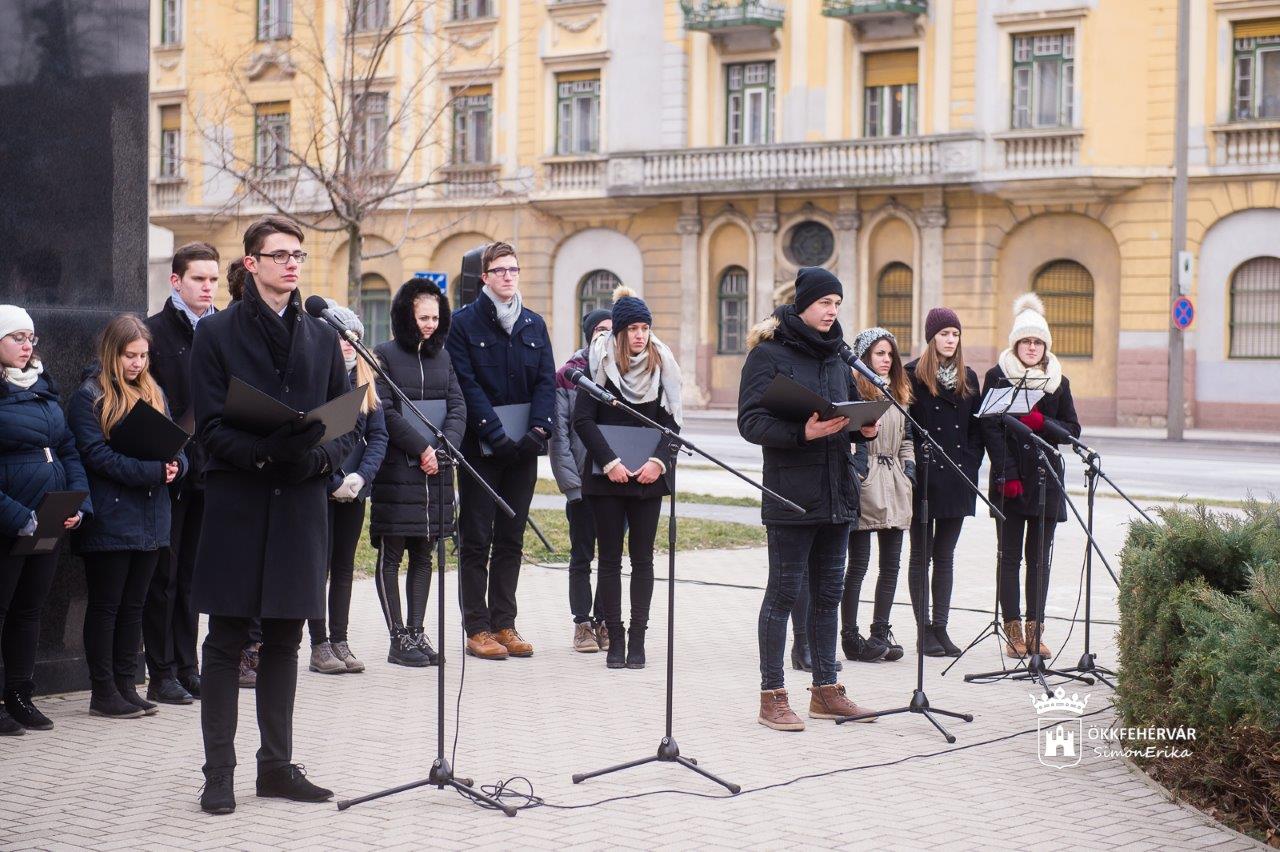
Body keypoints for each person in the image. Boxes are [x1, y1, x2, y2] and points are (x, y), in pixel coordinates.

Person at [189, 215, 354, 814]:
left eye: (298, 255)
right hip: (239, 503)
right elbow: (207, 428)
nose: (291, 264)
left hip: (300, 505)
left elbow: (344, 420)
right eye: (279, 254)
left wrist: (315, 461)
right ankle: (219, 773)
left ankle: (276, 768)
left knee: (285, 637)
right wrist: (263, 454)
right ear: (251, 263)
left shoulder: (320, 334)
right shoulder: (217, 335)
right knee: (228, 639)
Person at [738, 268, 877, 732]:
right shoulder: (769, 355)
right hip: (792, 496)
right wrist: (802, 432)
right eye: (824, 303)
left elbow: (843, 418)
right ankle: (772, 695)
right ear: (802, 304)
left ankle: (825, 689)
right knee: (784, 593)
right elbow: (750, 422)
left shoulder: (839, 357)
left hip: (837, 494)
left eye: (837, 302)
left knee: (829, 596)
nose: (832, 311)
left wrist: (863, 429)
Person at [69, 315, 187, 719]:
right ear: (111, 353)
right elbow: (96, 457)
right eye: (130, 356)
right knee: (107, 606)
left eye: (143, 356)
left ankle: (125, 685)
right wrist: (153, 472)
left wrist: (177, 467)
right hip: (111, 516)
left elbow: (175, 442)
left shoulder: (153, 391)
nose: (138, 364)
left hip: (153, 517)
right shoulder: (89, 396)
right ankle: (102, 691)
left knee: (135, 606)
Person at [446, 241, 555, 661]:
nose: (509, 276)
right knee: (476, 537)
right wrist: (494, 432)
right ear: (485, 277)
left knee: (511, 538)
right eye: (501, 270)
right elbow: (465, 383)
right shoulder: (464, 324)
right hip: (482, 449)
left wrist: (538, 431)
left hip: (524, 449)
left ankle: (504, 623)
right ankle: (477, 627)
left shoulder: (533, 324)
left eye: (514, 269)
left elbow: (547, 381)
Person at [573, 288, 680, 670]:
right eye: (632, 328)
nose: (639, 335)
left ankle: (638, 638)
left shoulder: (662, 365)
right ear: (619, 332)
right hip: (607, 478)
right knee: (609, 560)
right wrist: (610, 461)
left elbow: (672, 423)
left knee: (643, 559)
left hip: (648, 479)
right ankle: (614, 638)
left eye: (645, 327)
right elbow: (582, 419)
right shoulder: (600, 366)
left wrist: (658, 462)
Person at [0, 306, 91, 735]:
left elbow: (68, 448)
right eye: (16, 337)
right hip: (11, 523)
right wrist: (18, 517)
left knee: (29, 611)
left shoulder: (42, 386)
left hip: (48, 519)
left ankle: (19, 694)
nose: (26, 345)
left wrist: (76, 504)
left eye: (30, 338)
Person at [369, 278, 465, 667]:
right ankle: (396, 638)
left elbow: (458, 406)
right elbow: (385, 410)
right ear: (406, 316)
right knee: (392, 554)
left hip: (436, 472)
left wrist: (442, 449)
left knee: (424, 554)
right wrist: (421, 447)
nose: (428, 324)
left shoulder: (444, 357)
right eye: (422, 317)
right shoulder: (385, 355)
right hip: (398, 471)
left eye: (434, 317)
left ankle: (416, 631)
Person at [980, 293, 1081, 659]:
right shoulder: (998, 376)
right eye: (1026, 341)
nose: (1032, 347)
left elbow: (1073, 429)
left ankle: (1036, 632)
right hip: (1010, 481)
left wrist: (1042, 423)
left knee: (1040, 559)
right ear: (1016, 344)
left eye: (1038, 342)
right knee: (1009, 557)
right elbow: (990, 429)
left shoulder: (1058, 381)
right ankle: (1013, 633)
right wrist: (1007, 473)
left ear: (1045, 346)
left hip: (1045, 482)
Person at [142, 241, 219, 705]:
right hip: (169, 469)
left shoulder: (224, 329)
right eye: (198, 279)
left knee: (193, 575)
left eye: (212, 279)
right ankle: (161, 670)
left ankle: (188, 666)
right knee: (163, 576)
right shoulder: (152, 334)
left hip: (212, 469)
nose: (207, 287)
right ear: (176, 281)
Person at [306, 303, 387, 675]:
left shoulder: (366, 383)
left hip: (354, 491)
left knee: (343, 566)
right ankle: (319, 644)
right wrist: (334, 480)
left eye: (353, 337)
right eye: (341, 336)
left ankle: (340, 638)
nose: (348, 344)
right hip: (321, 487)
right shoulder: (317, 379)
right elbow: (313, 437)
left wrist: (362, 478)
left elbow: (378, 436)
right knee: (318, 567)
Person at [904, 307, 985, 658]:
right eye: (943, 334)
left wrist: (969, 463)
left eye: (954, 334)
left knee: (946, 555)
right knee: (921, 555)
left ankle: (941, 627)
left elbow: (976, 431)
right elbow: (906, 425)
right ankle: (924, 631)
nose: (950, 340)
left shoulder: (969, 378)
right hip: (923, 479)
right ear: (931, 338)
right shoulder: (910, 375)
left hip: (957, 477)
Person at [841, 327, 915, 665]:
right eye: (878, 354)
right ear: (865, 357)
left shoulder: (899, 394)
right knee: (857, 565)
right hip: (866, 478)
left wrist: (909, 469)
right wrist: (859, 473)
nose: (885, 360)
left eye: (889, 355)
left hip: (896, 482)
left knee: (892, 564)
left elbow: (908, 439)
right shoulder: (856, 389)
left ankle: (880, 631)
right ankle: (850, 635)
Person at [551, 308, 612, 653]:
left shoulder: (624, 373)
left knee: (612, 556)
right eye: (600, 330)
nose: (606, 336)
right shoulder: (569, 375)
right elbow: (559, 434)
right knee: (582, 555)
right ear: (588, 335)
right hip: (583, 480)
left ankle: (605, 620)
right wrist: (571, 484)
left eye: (611, 330)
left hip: (616, 480)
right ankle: (582, 623)